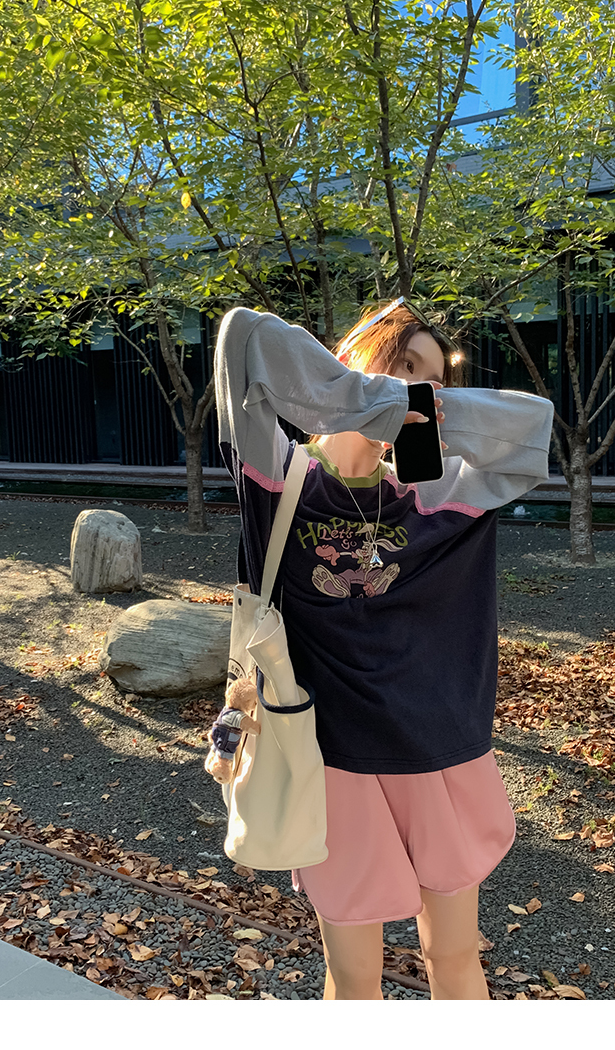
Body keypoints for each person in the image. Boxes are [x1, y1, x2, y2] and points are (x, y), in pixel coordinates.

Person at [213, 299, 554, 1000]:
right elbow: (242, 339)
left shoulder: (445, 494)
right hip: (333, 761)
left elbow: (528, 429)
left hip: (442, 753)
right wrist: (370, 401)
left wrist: (423, 410)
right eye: (405, 366)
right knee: (353, 977)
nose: (421, 390)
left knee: (454, 959)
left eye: (436, 379)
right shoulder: (281, 479)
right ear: (353, 363)